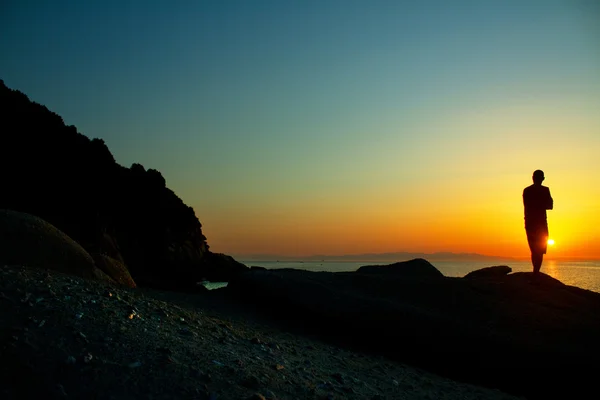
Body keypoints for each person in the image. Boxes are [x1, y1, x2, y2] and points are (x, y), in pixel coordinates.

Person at [523, 170, 553, 275]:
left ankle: (535, 272)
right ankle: (536, 273)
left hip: (535, 223)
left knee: (537, 250)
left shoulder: (541, 190)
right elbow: (549, 204)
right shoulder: (529, 190)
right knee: (536, 250)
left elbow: (550, 205)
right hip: (535, 224)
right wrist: (541, 203)